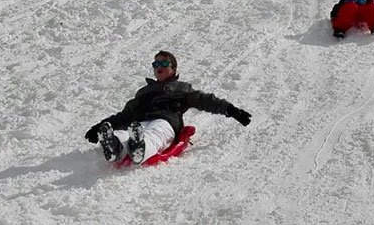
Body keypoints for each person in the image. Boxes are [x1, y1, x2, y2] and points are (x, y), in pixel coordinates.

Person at [85, 50, 251, 164]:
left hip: (166, 122)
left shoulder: (182, 89)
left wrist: (231, 110)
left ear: (173, 69)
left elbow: (206, 100)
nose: (159, 67)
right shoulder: (144, 92)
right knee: (125, 132)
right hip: (141, 122)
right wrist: (98, 127)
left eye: (164, 63)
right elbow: (124, 116)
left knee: (155, 134)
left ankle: (140, 148)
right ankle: (115, 146)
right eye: (156, 64)